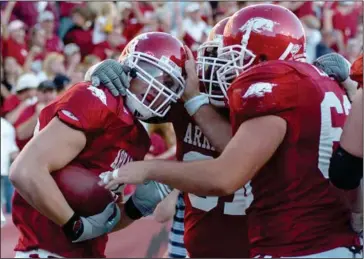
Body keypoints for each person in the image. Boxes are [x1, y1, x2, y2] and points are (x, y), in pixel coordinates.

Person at [101, 4, 362, 258]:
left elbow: (228, 168)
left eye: (230, 57)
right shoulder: (193, 91)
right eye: (216, 57)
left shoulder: (273, 97)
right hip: (207, 242)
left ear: (262, 59)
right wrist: (102, 76)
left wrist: (152, 167)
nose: (219, 67)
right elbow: (134, 96)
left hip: (273, 243)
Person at [9, 32, 188, 258]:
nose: (158, 86)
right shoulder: (98, 100)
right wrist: (75, 225)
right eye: (153, 73)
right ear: (129, 67)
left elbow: (101, 222)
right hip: (46, 251)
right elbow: (25, 172)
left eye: (169, 82)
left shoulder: (139, 138)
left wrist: (135, 208)